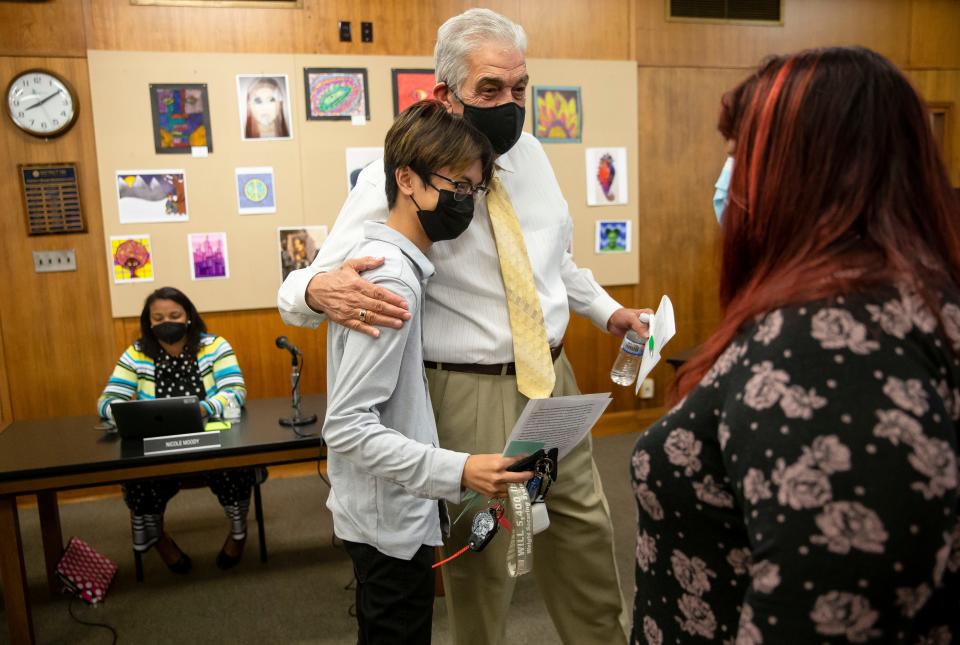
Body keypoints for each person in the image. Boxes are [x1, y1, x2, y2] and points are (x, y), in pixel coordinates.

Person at [279, 9, 647, 644]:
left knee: (586, 534)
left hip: (552, 379)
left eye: (519, 88)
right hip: (466, 389)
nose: (508, 104)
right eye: (490, 90)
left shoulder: (532, 157)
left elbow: (554, 260)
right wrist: (314, 287)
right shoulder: (399, 171)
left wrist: (608, 310)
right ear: (444, 93)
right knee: (483, 559)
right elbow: (303, 286)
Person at [631, 47, 960, 643]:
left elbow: (832, 604)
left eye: (739, 155)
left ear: (804, 173)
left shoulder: (828, 347)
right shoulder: (905, 298)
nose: (726, 178)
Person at [324, 99, 532, 644]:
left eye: (475, 189)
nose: (466, 201)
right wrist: (462, 470)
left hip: (387, 508)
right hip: (386, 517)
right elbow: (347, 427)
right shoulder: (392, 282)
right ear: (407, 180)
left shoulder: (398, 267)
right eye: (457, 186)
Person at [98, 287, 255, 572]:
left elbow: (235, 391)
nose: (166, 322)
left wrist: (206, 408)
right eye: (157, 317)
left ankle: (238, 532)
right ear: (148, 322)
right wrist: (125, 413)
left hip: (210, 435)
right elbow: (108, 400)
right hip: (157, 443)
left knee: (236, 468)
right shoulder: (136, 354)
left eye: (174, 315)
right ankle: (159, 539)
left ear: (189, 317)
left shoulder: (215, 346)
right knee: (139, 479)